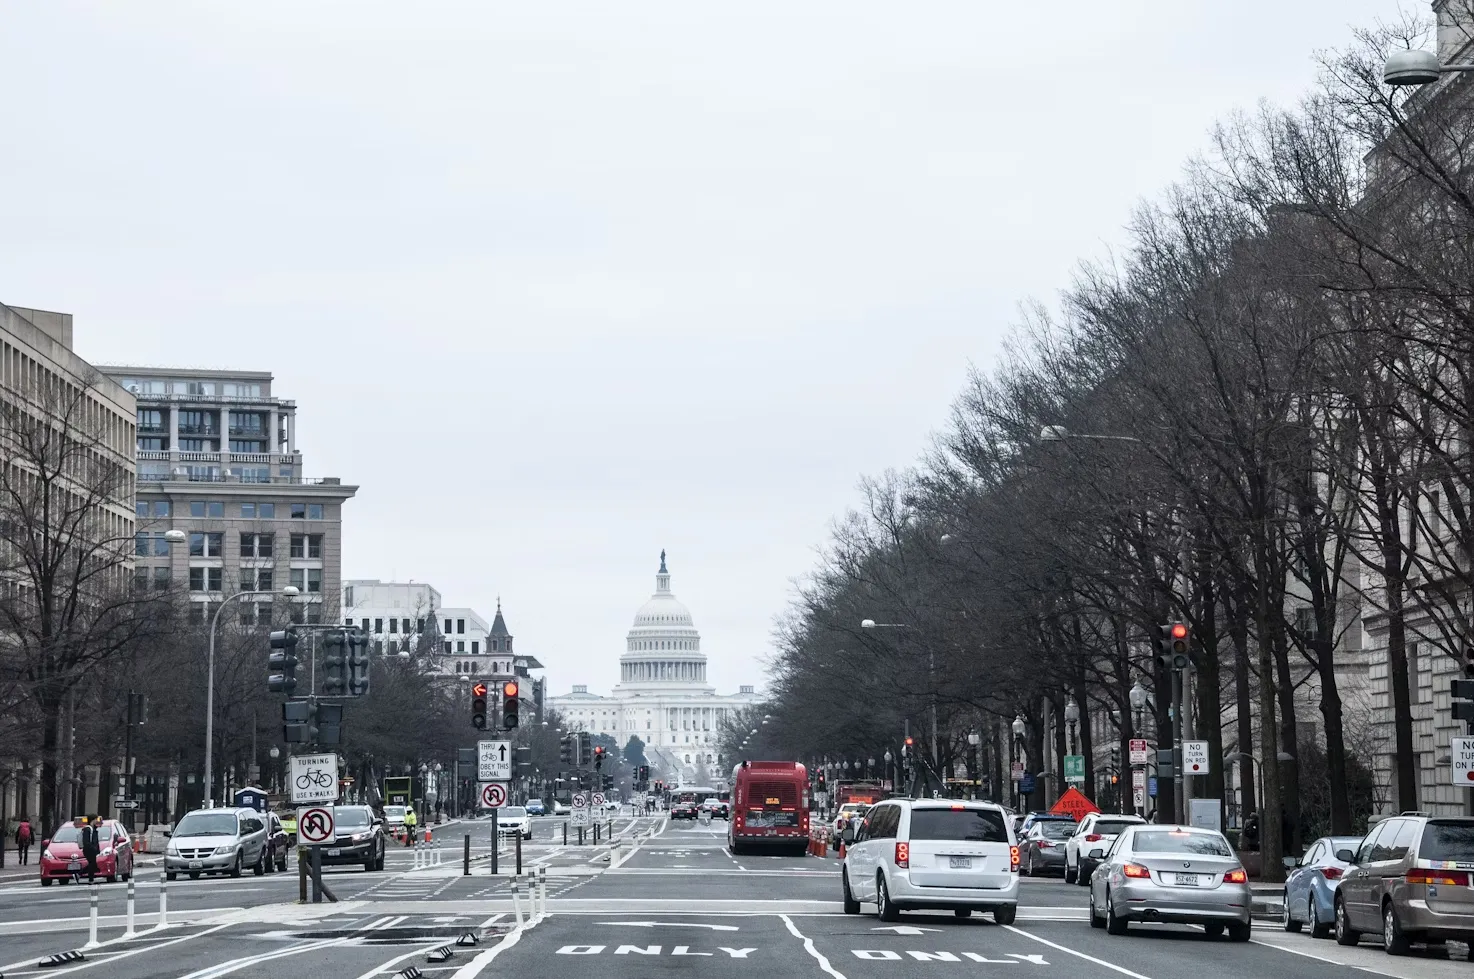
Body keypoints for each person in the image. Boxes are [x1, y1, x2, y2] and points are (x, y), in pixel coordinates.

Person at [80, 816, 102, 884]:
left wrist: (97, 849)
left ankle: (81, 875)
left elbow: (95, 841)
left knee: (93, 864)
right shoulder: (87, 829)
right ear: (92, 820)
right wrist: (92, 848)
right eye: (95, 819)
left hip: (92, 849)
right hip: (88, 849)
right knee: (92, 864)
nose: (96, 821)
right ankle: (90, 879)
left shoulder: (93, 829)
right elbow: (86, 841)